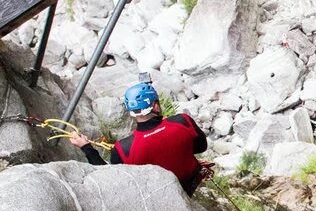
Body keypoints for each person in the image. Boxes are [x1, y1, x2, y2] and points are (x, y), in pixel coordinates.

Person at [68, 80, 210, 194]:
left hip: (161, 195)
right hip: (191, 183)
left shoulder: (123, 149)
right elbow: (201, 147)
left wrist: (86, 147)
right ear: (155, 106)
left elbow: (110, 179)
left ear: (131, 111)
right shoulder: (182, 121)